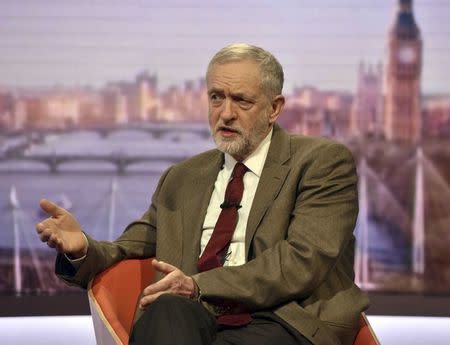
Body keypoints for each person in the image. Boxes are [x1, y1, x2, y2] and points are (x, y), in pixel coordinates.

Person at [36, 43, 369, 345]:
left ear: (274, 108)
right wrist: (81, 249)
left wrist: (199, 286)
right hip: (195, 316)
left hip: (284, 318)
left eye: (241, 100)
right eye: (216, 97)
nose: (225, 113)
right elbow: (129, 248)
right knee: (166, 311)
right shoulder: (182, 178)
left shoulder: (321, 162)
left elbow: (301, 263)